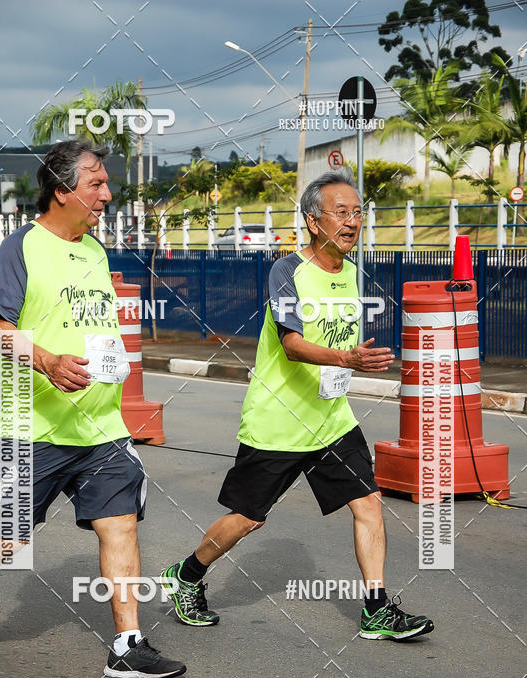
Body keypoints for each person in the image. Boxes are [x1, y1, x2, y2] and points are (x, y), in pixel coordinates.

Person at [0, 139, 186, 678]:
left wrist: (111, 362)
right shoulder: (20, 247)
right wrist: (45, 361)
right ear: (63, 190)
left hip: (100, 426)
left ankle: (127, 643)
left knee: (120, 526)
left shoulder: (95, 250)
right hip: (35, 426)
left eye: (106, 182)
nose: (107, 194)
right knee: (6, 542)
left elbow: (92, 324)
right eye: (96, 183)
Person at [162, 170, 434, 642]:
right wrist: (347, 358)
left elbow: (339, 344)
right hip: (279, 422)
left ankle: (377, 610)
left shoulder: (351, 273)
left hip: (331, 420)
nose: (352, 222)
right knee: (248, 518)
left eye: (358, 213)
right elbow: (291, 343)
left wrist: (353, 362)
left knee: (369, 503)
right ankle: (186, 575)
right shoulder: (286, 271)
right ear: (313, 220)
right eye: (341, 212)